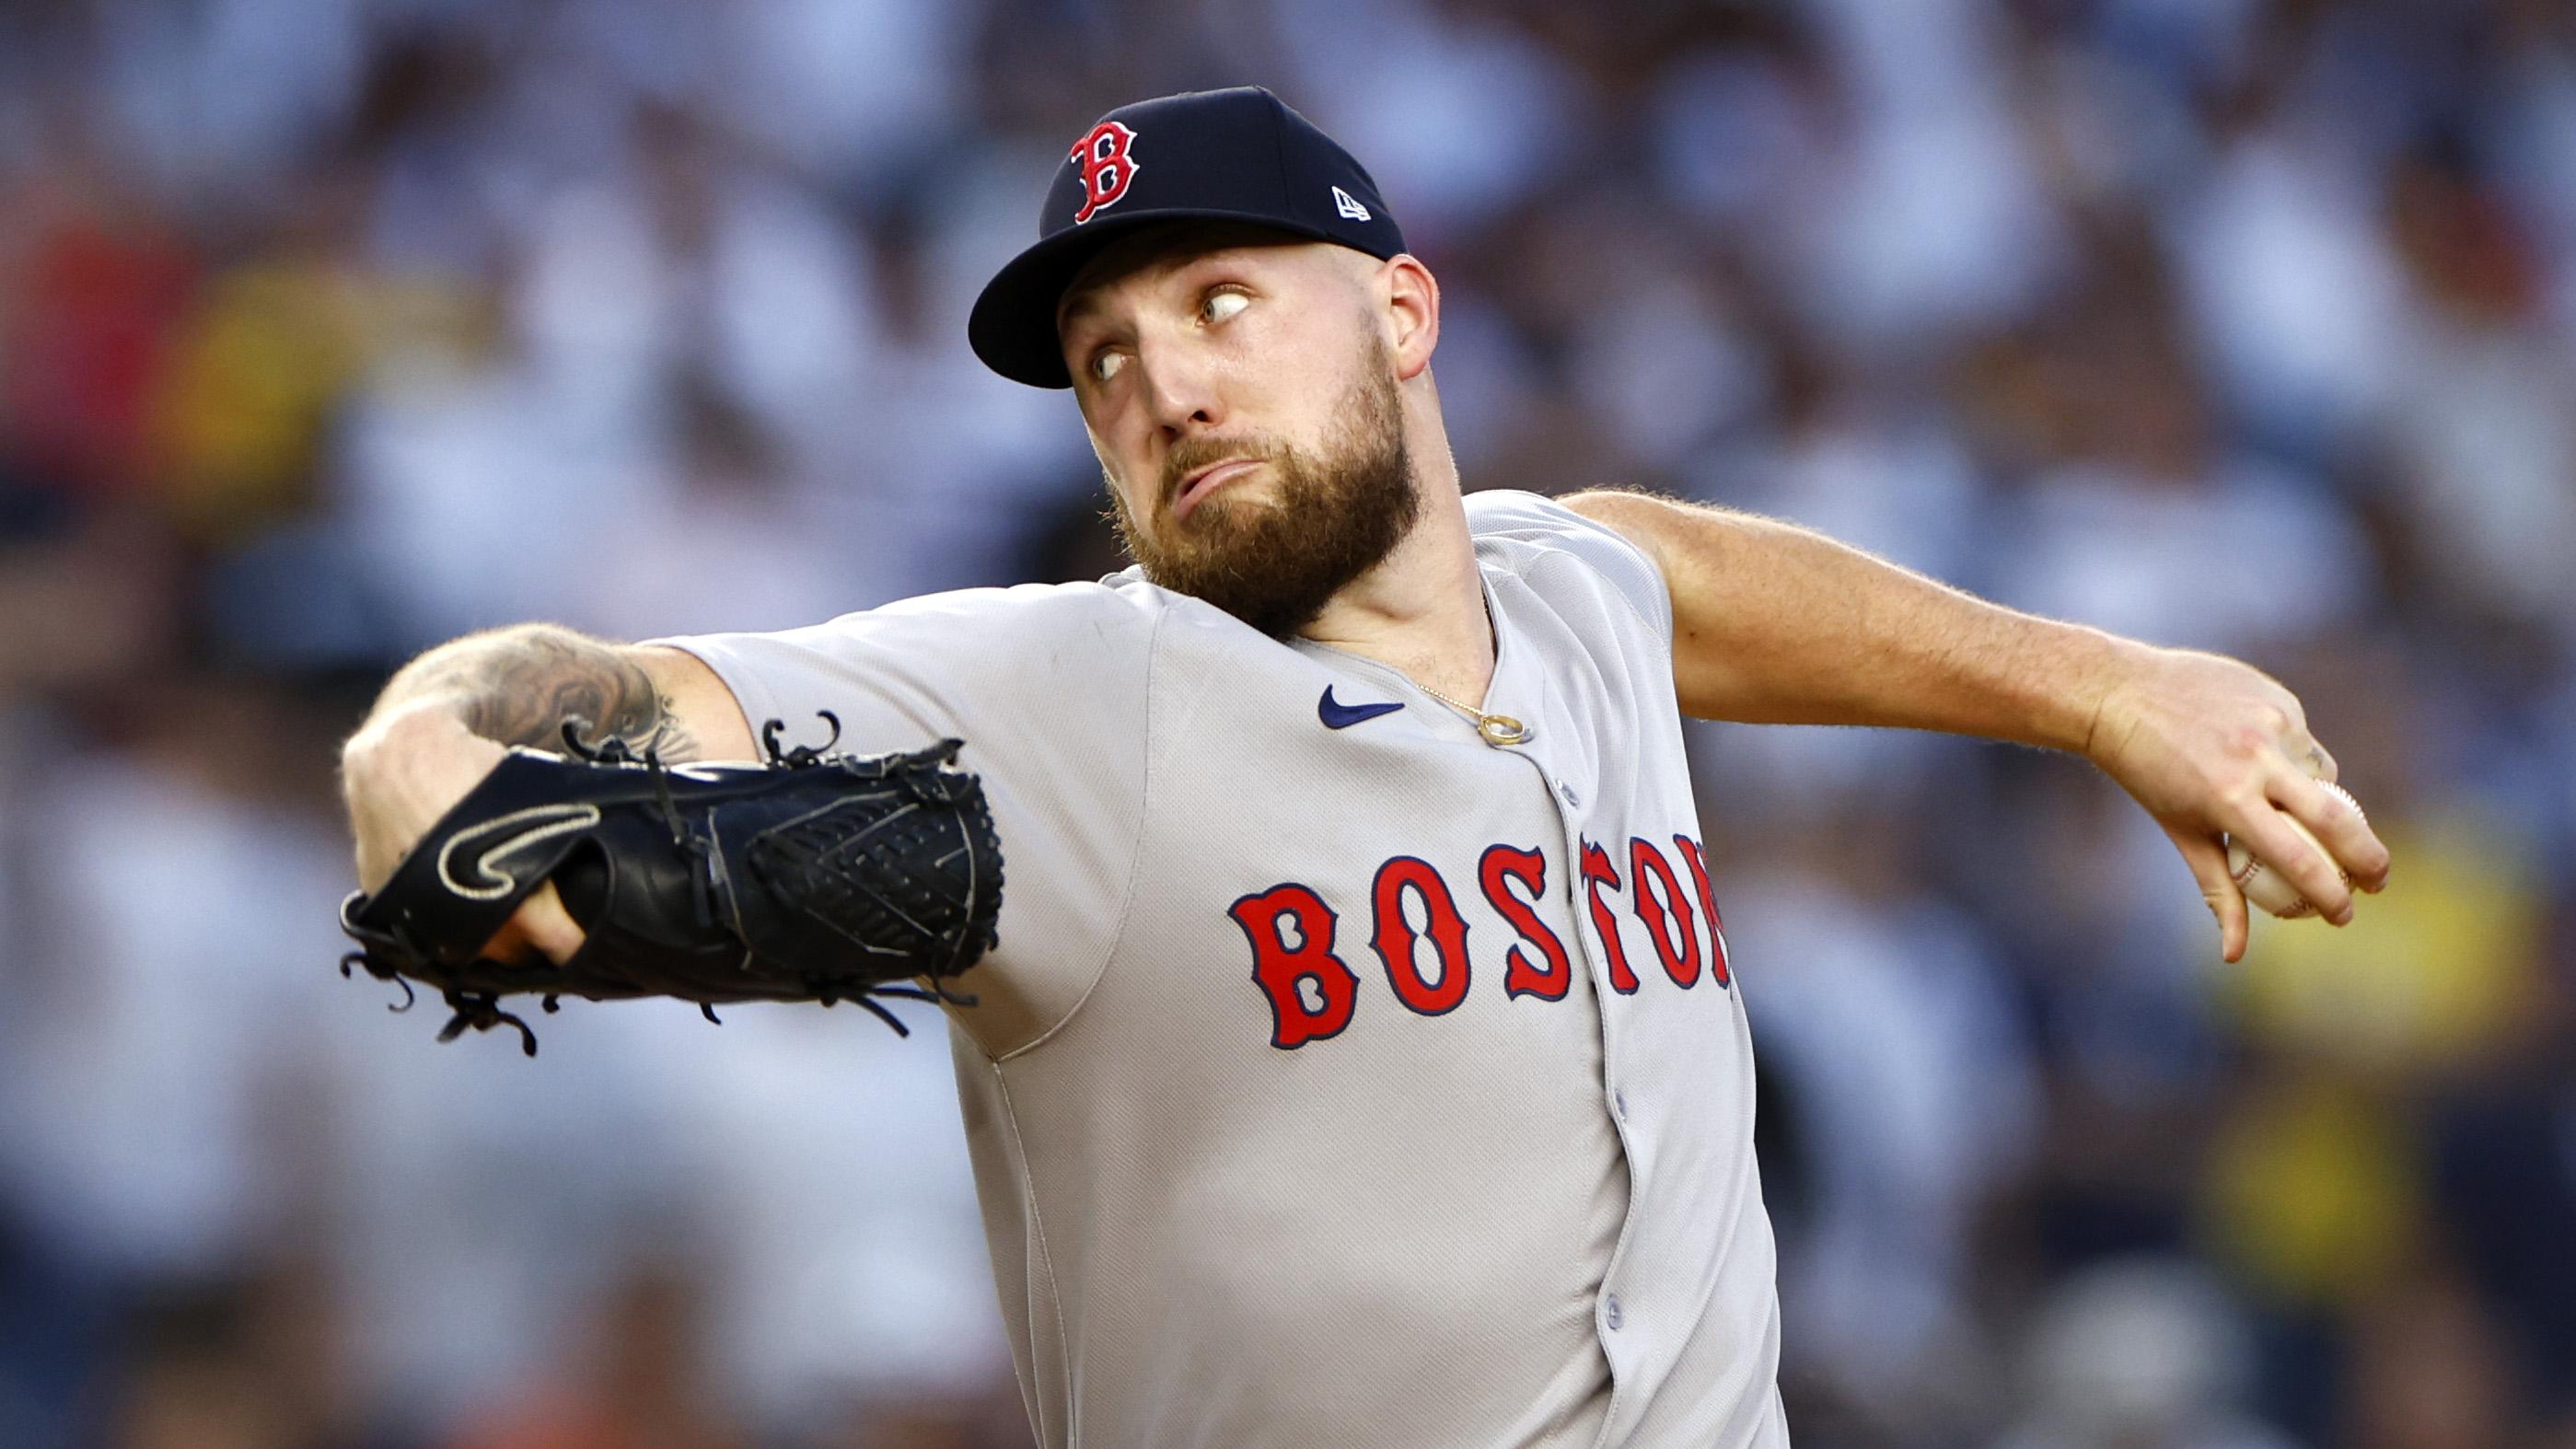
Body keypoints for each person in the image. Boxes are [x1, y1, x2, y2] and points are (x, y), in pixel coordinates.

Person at [337, 87, 2391, 1448]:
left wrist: (2103, 685)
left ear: (1402, 311)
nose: (1162, 383)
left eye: (1221, 300)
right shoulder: (1071, 693)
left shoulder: (1566, 601)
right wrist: (424, 744)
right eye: (1104, 359)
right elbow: (614, 699)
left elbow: (1678, 568)